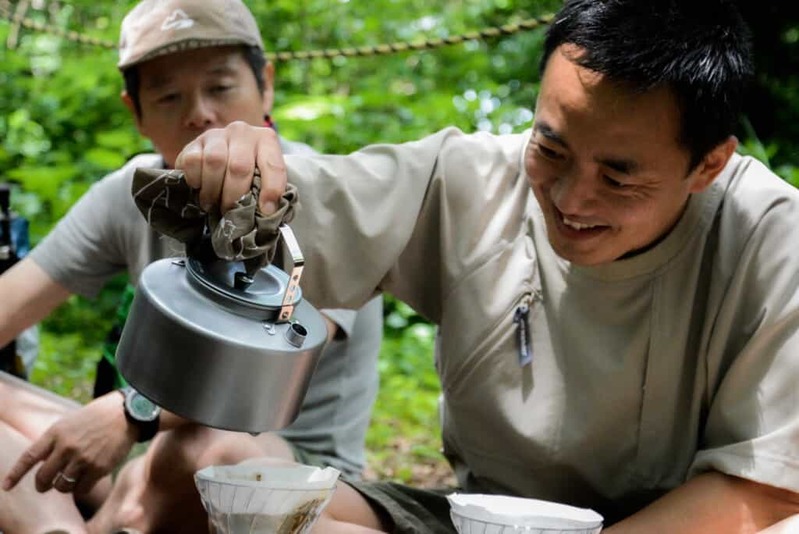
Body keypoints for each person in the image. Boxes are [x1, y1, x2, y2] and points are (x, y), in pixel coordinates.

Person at [171, 0, 799, 531]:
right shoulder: (469, 179)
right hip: (480, 518)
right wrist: (242, 170)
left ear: (709, 165)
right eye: (551, 149)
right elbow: (324, 196)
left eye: (618, 177)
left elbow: (766, 488)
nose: (571, 200)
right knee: (252, 498)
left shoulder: (772, 240)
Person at [0, 0, 382, 532]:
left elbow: (251, 379)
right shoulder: (130, 194)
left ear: (265, 85)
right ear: (135, 112)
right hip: (144, 457)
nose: (199, 113)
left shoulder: (320, 198)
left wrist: (130, 411)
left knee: (208, 447)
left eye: (221, 88)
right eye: (168, 95)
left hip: (283, 468)